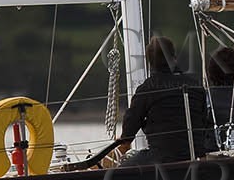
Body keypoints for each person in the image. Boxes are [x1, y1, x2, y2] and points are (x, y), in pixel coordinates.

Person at [65, 36, 210, 170]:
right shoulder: (196, 85)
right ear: (174, 58)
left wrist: (102, 164)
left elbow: (127, 136)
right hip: (197, 156)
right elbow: (205, 121)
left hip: (162, 159)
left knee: (122, 169)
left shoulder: (147, 89)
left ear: (150, 63)